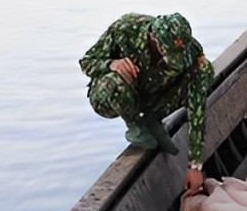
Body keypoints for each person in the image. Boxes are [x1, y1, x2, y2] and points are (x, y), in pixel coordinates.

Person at [80, 12, 213, 194]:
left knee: (204, 71)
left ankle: (154, 117)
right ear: (154, 38)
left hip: (155, 96)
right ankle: (136, 125)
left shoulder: (190, 52)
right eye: (168, 52)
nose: (172, 59)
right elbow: (87, 62)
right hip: (118, 94)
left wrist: (195, 165)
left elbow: (197, 105)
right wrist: (112, 64)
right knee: (114, 80)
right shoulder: (126, 28)